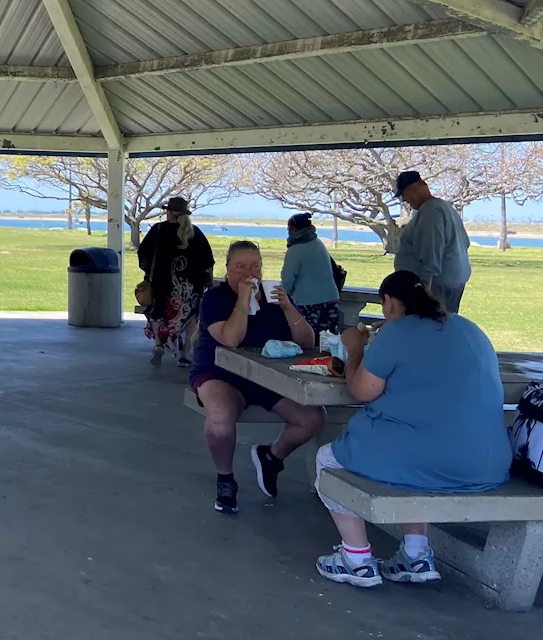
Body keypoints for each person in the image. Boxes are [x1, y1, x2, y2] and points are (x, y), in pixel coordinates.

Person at [312, 271, 511, 588]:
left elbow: (362, 391)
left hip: (428, 460)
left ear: (388, 303)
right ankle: (416, 555)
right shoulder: (468, 328)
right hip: (489, 463)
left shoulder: (397, 334)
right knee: (414, 453)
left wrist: (354, 351)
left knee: (327, 460)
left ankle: (356, 558)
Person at [191, 240, 326, 515]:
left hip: (264, 374)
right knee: (220, 416)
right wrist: (243, 299)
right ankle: (226, 479)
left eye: (255, 266)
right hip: (220, 371)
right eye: (240, 267)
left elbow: (308, 341)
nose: (248, 273)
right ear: (227, 268)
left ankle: (272, 457)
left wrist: (288, 307)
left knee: (314, 418)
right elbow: (230, 339)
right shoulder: (215, 298)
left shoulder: (273, 297)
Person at [137, 196, 214, 367]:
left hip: (162, 283)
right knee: (190, 318)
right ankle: (184, 355)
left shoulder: (158, 230)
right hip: (190, 286)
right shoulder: (195, 232)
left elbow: (144, 253)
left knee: (157, 314)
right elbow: (208, 261)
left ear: (169, 212)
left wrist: (149, 271)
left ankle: (158, 345)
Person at [393, 170, 471, 314]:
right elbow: (465, 243)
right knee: (445, 325)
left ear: (415, 188)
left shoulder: (430, 211)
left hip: (436, 286)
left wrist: (425, 287)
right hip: (452, 281)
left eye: (404, 194)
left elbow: (432, 250)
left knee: (432, 327)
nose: (404, 200)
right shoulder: (446, 207)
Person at [280, 213, 341, 335]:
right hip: (331, 297)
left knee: (308, 338)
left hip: (307, 302)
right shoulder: (318, 243)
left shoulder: (295, 250)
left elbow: (287, 279)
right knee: (329, 341)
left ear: (294, 229)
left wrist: (284, 296)